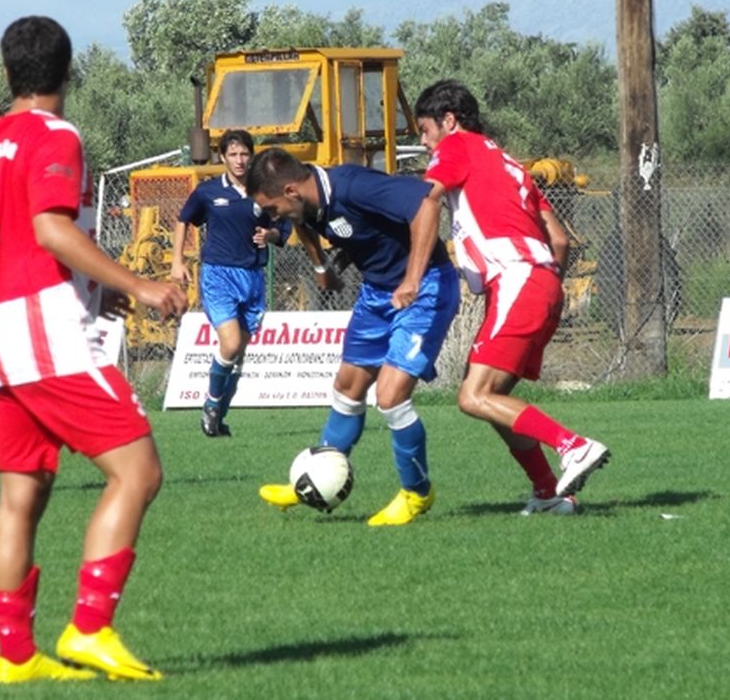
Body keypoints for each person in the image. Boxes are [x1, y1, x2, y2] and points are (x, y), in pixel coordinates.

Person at [0, 16, 188, 683]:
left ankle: (15, 657)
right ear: (68, 71)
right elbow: (51, 230)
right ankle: (90, 630)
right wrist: (139, 284)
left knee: (20, 492)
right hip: (45, 329)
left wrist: (95, 288)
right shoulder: (56, 134)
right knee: (138, 472)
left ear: (5, 77)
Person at [409, 79, 610, 515]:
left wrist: (411, 276)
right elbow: (559, 240)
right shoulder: (510, 164)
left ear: (448, 121)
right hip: (541, 282)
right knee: (491, 399)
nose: (424, 142)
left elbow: (428, 201)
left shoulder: (457, 146)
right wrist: (541, 280)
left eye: (425, 130)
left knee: (472, 396)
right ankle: (549, 493)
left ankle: (571, 445)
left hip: (519, 281)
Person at [246, 147, 459, 526]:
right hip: (377, 293)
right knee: (347, 386)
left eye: (273, 208)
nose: (272, 217)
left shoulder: (354, 186)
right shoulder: (307, 203)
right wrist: (322, 266)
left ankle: (417, 494)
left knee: (391, 397)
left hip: (424, 289)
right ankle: (315, 478)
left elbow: (428, 202)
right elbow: (305, 226)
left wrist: (411, 278)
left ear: (292, 191)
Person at [171, 129, 290, 437]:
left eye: (244, 154)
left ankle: (217, 418)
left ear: (252, 156)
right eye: (233, 154)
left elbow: (283, 227)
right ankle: (211, 402)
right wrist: (177, 260)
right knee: (231, 343)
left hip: (252, 277)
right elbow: (184, 219)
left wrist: (270, 235)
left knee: (239, 353)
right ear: (222, 157)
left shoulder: (264, 191)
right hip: (218, 274)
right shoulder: (208, 191)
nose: (239, 160)